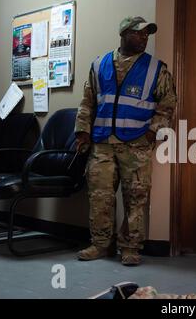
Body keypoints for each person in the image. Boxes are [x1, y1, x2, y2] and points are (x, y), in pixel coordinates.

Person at [75, 16, 177, 266]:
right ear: (124, 34)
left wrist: (153, 132)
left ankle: (131, 248)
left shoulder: (156, 69)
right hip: (101, 144)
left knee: (136, 198)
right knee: (100, 197)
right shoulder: (99, 64)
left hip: (137, 145)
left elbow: (167, 104)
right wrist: (82, 131)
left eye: (146, 35)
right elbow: (88, 100)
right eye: (139, 33)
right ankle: (100, 244)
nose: (144, 38)